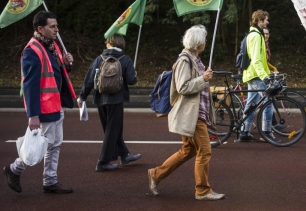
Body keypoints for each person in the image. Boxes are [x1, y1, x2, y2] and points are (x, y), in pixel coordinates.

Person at [3, 11, 77, 194]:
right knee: (39, 145)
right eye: (52, 26)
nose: (56, 30)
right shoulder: (32, 50)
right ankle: (14, 170)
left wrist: (67, 64)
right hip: (44, 107)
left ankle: (50, 180)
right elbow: (30, 86)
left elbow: (58, 73)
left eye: (56, 26)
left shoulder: (52, 46)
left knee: (54, 143)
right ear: (40, 29)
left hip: (55, 104)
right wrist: (33, 115)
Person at [147, 25, 224, 200]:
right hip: (192, 115)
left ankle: (156, 174)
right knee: (204, 151)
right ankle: (202, 190)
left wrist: (202, 78)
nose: (205, 43)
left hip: (195, 112)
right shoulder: (184, 60)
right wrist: (202, 78)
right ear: (198, 43)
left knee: (188, 150)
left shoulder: (194, 59)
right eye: (204, 40)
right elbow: (183, 87)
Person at [78, 34, 141, 172]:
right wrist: (134, 75)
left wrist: (82, 97)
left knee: (111, 129)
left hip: (100, 98)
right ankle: (102, 162)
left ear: (109, 44)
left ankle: (125, 155)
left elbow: (89, 79)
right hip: (116, 99)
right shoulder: (125, 60)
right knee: (112, 130)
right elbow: (131, 80)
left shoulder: (99, 59)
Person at [239, 10, 278, 143]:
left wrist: (267, 73)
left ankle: (245, 132)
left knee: (251, 104)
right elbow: (256, 60)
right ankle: (267, 132)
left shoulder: (256, 34)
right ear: (259, 20)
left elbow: (261, 60)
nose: (267, 22)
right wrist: (265, 77)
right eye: (266, 20)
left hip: (253, 74)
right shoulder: (256, 36)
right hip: (256, 75)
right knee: (268, 102)